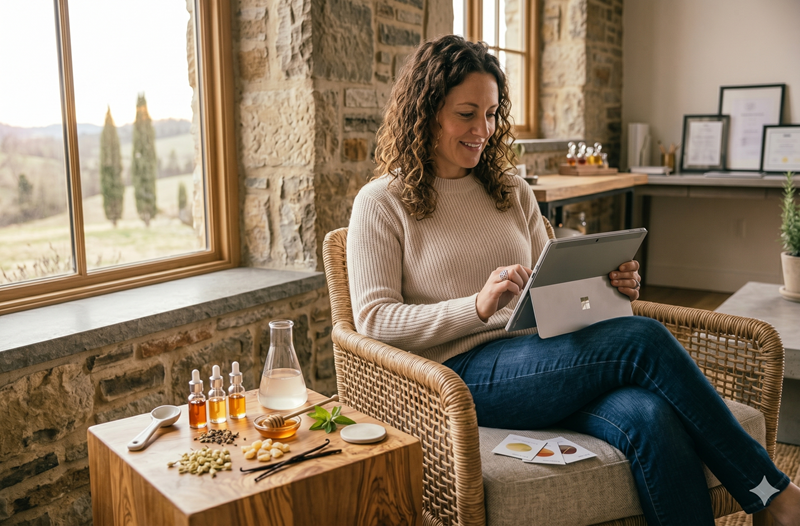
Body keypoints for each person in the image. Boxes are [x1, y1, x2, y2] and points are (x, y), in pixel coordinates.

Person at [346, 34, 800, 526]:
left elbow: (551, 288)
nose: (483, 128)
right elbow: (373, 321)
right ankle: (774, 493)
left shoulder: (510, 190)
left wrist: (608, 285)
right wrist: (475, 306)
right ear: (427, 110)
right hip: (457, 376)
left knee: (651, 417)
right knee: (641, 338)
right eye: (467, 113)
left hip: (541, 364)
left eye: (493, 113)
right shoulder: (382, 202)